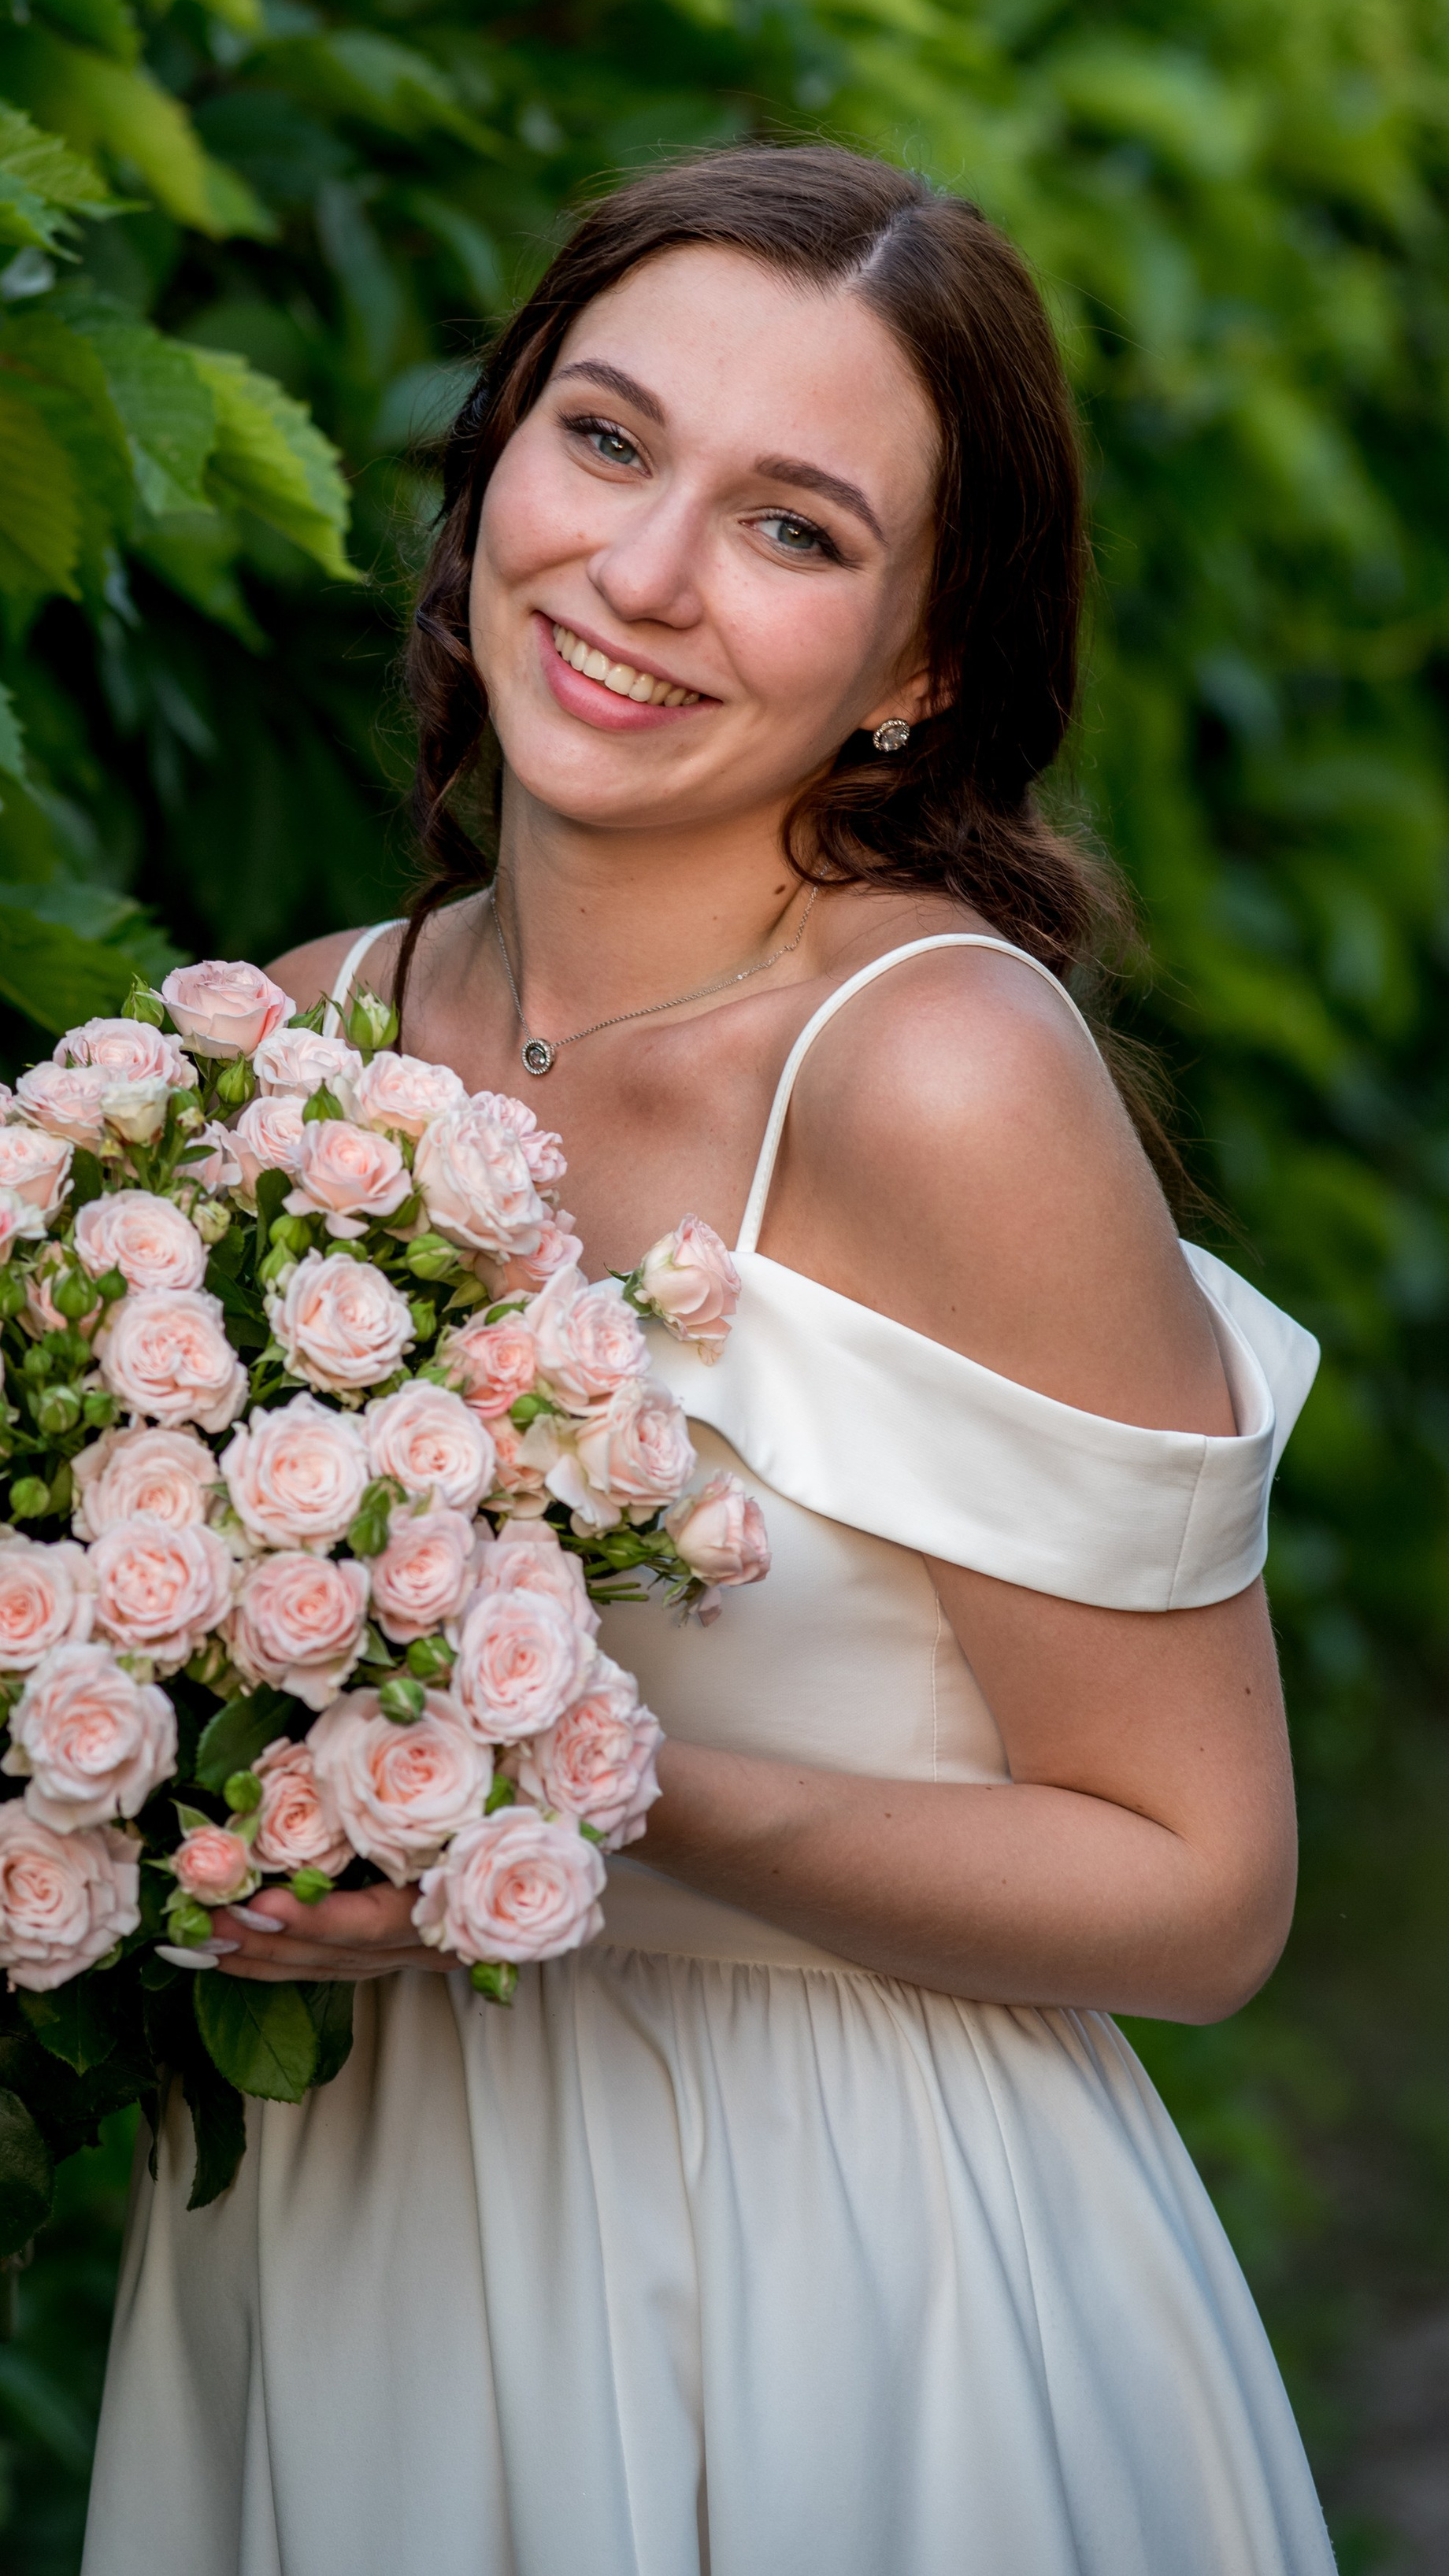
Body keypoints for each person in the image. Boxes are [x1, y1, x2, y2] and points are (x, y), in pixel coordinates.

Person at [83, 145, 1336, 2575]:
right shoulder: (274, 1055)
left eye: (793, 527)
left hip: (831, 2272)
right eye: (609, 440)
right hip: (343, 2234)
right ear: (499, 458)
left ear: (923, 661)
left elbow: (1206, 1887)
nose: (640, 577)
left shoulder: (940, 1073)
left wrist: (564, 1809)